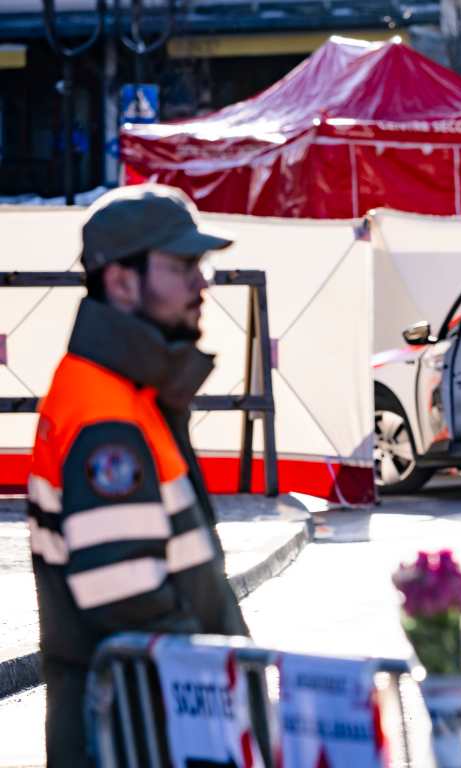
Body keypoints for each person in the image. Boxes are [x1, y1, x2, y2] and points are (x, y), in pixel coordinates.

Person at [26, 185, 250, 766]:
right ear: (122, 282)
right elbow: (123, 592)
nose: (202, 284)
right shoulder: (105, 416)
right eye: (182, 266)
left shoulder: (121, 392)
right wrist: (217, 687)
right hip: (139, 732)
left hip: (139, 725)